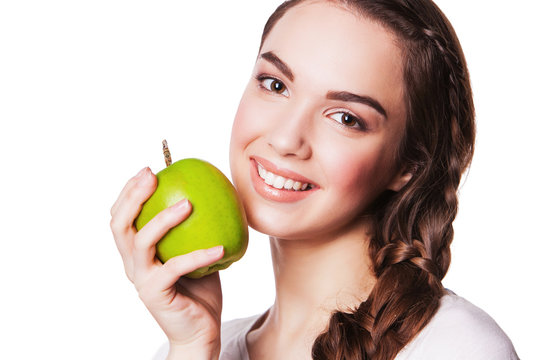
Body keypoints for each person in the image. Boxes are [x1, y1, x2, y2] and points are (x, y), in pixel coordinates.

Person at [110, 0, 519, 359]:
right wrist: (192, 348)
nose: (286, 139)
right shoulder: (190, 348)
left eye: (346, 118)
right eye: (275, 84)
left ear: (407, 165)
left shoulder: (456, 347)